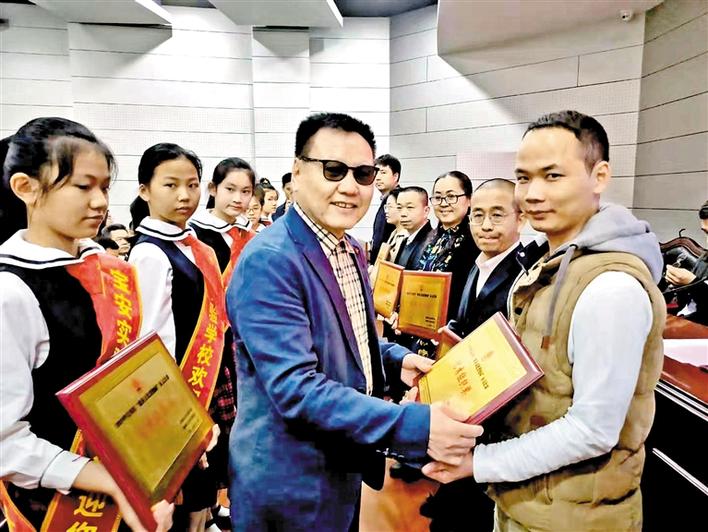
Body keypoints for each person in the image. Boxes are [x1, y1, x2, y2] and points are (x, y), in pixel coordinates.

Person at [226, 112, 483, 531]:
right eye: (333, 170)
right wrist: (415, 427)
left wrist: (395, 360)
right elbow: (295, 387)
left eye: (363, 174)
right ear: (297, 171)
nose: (350, 187)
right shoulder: (271, 260)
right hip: (292, 480)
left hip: (340, 463)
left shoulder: (348, 248)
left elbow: (344, 337)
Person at [423, 110, 666, 532]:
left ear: (599, 176)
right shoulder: (550, 264)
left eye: (553, 176)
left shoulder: (611, 287)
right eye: (523, 178)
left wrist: (479, 462)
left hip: (577, 515)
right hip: (526, 499)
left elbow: (593, 430)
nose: (532, 194)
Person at [0, 117, 172, 531]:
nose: (100, 202)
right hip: (56, 504)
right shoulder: (11, 292)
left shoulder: (108, 269)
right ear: (26, 188)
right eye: (82, 186)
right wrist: (111, 480)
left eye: (105, 187)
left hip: (128, 478)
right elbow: (6, 443)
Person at [128, 143, 227, 532]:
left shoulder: (189, 244)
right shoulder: (150, 254)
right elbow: (153, 346)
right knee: (185, 501)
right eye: (170, 185)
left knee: (201, 499)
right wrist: (178, 418)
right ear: (145, 190)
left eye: (192, 184)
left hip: (205, 384)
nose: (184, 195)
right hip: (179, 397)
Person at [420, 178, 525, 530]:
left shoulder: (523, 276)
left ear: (521, 218)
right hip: (464, 397)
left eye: (498, 215)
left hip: (497, 413)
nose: (486, 225)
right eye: (478, 215)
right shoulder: (479, 265)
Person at [188, 156, 256, 528]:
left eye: (246, 191)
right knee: (208, 426)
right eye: (230, 189)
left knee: (234, 427)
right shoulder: (196, 236)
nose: (238, 199)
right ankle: (206, 507)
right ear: (213, 189)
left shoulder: (249, 236)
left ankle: (221, 501)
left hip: (238, 342)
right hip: (206, 344)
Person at [410, 171, 480, 359]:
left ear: (469, 200)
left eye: (451, 196)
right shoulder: (431, 238)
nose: (443, 203)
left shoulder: (475, 243)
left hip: (451, 338)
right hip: (421, 332)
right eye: (438, 197)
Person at [664, 200, 708, 325]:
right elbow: (687, 304)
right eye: (706, 233)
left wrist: (693, 284)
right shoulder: (705, 260)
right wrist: (677, 284)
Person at [369, 153, 401, 264]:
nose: (377, 177)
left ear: (395, 176)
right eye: (376, 172)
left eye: (383, 173)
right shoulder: (385, 200)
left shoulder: (399, 199)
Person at [394, 186, 434, 270]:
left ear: (426, 211)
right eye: (399, 208)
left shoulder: (431, 244)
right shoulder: (406, 240)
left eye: (410, 207)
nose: (403, 214)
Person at [378, 188, 407, 263]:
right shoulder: (394, 233)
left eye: (389, 207)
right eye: (386, 207)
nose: (386, 211)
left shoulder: (407, 236)